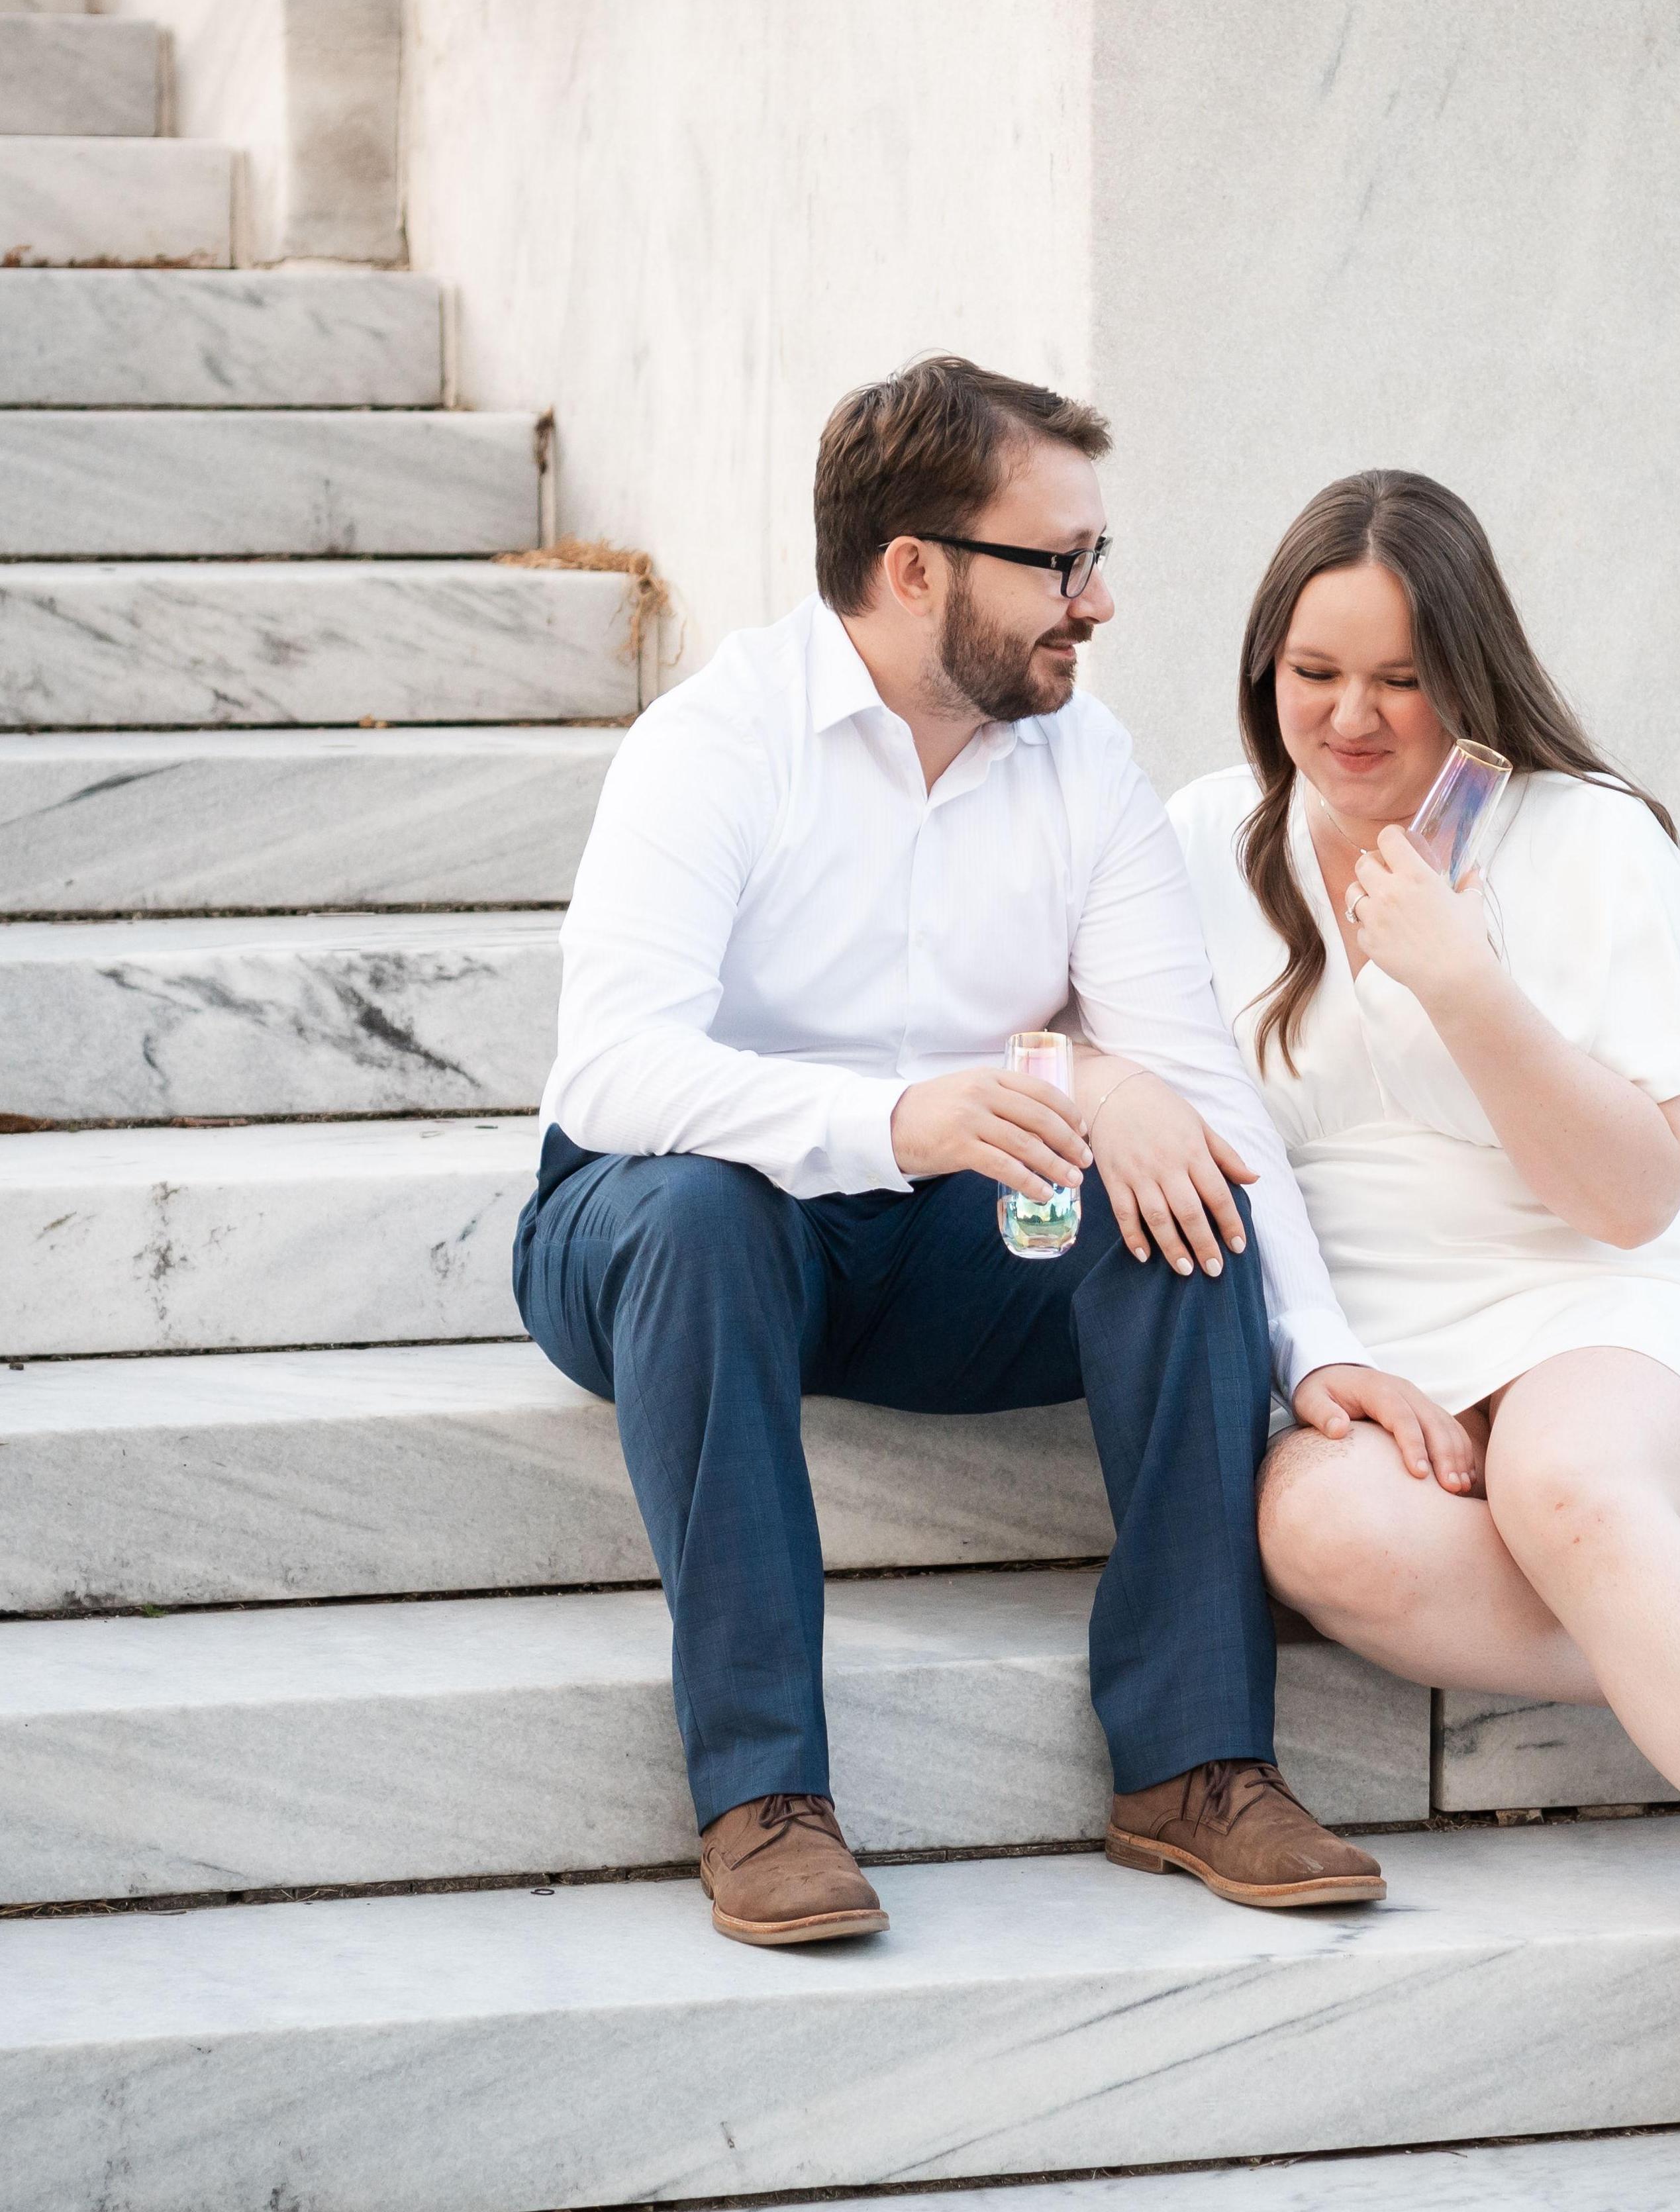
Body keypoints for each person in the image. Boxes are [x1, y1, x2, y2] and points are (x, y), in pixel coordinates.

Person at [1164, 470, 1680, 2181]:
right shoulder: (1202, 843)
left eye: (1398, 678)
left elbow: (1628, 1194)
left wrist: (1461, 978)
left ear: (1469, 674)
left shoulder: (1585, 837)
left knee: (1565, 1488)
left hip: (1611, 1300)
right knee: (1314, 1531)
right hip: (1379, 1344)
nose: (1349, 717)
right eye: (1312, 672)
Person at [513, 356, 1387, 1951]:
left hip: (937, 1243)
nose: (1097, 600)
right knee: (707, 1214)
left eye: (1095, 555)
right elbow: (613, 1068)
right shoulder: (716, 740)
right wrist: (891, 1119)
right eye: (1058, 561)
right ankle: (762, 1793)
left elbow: (1196, 1079)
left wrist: (1313, 1345)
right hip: (670, 1234)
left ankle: (1194, 1762)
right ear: (912, 567)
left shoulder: (1084, 762)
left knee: (1173, 1188)